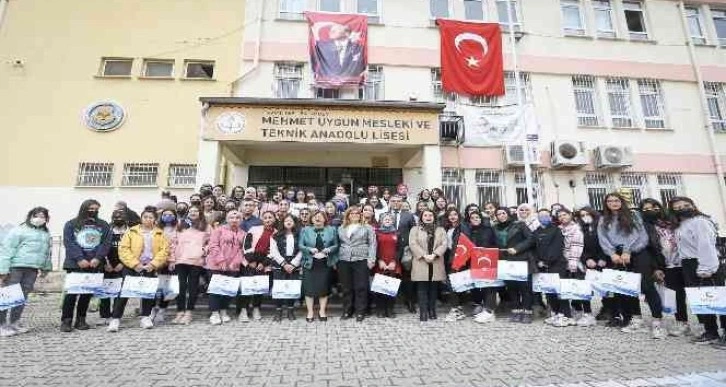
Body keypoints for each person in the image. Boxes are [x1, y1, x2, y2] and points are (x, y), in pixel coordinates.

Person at [598, 193, 665, 339]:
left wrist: (628, 250)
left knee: (647, 286)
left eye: (616, 200)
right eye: (610, 201)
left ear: (622, 202)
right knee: (627, 288)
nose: (613, 203)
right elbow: (603, 239)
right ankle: (636, 318)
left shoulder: (634, 215)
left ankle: (657, 321)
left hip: (638, 253)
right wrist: (612, 254)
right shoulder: (603, 219)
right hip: (617, 256)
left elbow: (641, 236)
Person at [669, 196, 726, 347]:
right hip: (688, 264)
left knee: (717, 299)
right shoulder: (681, 225)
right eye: (678, 207)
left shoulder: (700, 222)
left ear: (693, 205)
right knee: (701, 300)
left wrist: (707, 267)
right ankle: (710, 332)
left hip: (704, 262)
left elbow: (706, 245)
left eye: (686, 205)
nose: (682, 208)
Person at [107, 207, 169, 332]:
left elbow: (164, 250)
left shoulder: (160, 233)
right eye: (145, 217)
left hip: (150, 266)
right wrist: (135, 264)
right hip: (132, 266)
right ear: (141, 218)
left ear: (155, 220)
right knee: (124, 292)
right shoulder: (131, 232)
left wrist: (154, 264)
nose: (147, 219)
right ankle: (115, 318)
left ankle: (145, 317)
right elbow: (123, 249)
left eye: (150, 217)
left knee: (147, 292)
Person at [61, 199, 112, 332]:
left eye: (96, 209)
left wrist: (98, 258)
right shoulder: (71, 224)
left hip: (94, 264)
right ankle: (66, 320)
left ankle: (81, 319)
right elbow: (69, 242)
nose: (93, 211)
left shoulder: (103, 225)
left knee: (87, 293)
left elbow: (106, 243)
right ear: (84, 208)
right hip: (75, 264)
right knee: (72, 293)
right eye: (90, 208)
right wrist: (79, 258)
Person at [0, 207, 52, 337]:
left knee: (22, 297)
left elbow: (47, 252)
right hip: (16, 267)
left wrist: (46, 267)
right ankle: (1, 324)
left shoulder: (45, 233)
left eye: (43, 216)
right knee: (8, 295)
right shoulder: (19, 230)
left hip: (32, 269)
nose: (39, 218)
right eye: (37, 215)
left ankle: (14, 322)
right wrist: (3, 270)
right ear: (30, 216)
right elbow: (7, 249)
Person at [641, 198, 688, 337]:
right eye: (646, 209)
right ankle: (682, 322)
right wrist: (656, 267)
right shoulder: (646, 226)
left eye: (654, 208)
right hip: (665, 263)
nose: (652, 211)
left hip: (683, 260)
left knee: (691, 292)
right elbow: (649, 248)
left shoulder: (673, 221)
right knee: (676, 294)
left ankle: (708, 326)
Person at [494, 207, 536, 324]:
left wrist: (517, 249)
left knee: (525, 287)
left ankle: (527, 311)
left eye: (503, 213)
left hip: (521, 259)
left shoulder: (519, 225)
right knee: (511, 287)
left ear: (508, 214)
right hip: (505, 260)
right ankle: (516, 310)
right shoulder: (495, 228)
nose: (501, 215)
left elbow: (531, 239)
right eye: (498, 214)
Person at [169, 206, 209, 325]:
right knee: (180, 287)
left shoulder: (206, 226)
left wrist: (204, 250)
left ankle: (189, 312)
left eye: (196, 211)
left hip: (196, 260)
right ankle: (180, 311)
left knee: (193, 287)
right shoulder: (180, 225)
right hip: (180, 260)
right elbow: (173, 243)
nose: (193, 212)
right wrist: (171, 259)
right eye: (191, 211)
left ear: (200, 213)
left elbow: (210, 242)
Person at [206, 210, 246, 326]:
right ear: (227, 219)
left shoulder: (243, 233)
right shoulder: (218, 230)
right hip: (215, 265)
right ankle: (214, 313)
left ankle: (224, 310)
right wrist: (221, 261)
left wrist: (235, 262)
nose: (234, 220)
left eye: (238, 218)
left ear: (241, 220)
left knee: (228, 289)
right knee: (215, 289)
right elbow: (213, 245)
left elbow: (242, 250)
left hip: (233, 266)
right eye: (232, 218)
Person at [337, 206, 377, 322]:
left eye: (357, 213)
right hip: (344, 259)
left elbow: (372, 244)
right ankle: (347, 310)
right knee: (346, 287)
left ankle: (360, 311)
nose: (354, 215)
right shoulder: (341, 228)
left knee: (361, 286)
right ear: (348, 215)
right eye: (352, 213)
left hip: (361, 259)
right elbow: (339, 243)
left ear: (360, 215)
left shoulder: (367, 227)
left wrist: (371, 259)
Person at [459, 210, 499, 324]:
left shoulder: (488, 230)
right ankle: (482, 307)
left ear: (481, 219)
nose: (475, 219)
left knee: (489, 286)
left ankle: (490, 310)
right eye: (472, 218)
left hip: (487, 261)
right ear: (469, 220)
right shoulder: (469, 231)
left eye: (477, 217)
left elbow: (495, 244)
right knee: (477, 285)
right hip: (473, 261)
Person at [299, 211, 339, 322]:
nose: (317, 218)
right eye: (315, 217)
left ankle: (322, 311)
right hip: (309, 263)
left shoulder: (332, 230)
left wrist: (329, 249)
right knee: (309, 289)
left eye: (320, 217)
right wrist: (309, 249)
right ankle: (310, 312)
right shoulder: (305, 230)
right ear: (311, 219)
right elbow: (300, 245)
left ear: (325, 219)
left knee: (324, 288)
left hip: (325, 263)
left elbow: (336, 245)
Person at [409, 209, 447, 322]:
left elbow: (444, 244)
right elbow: (412, 243)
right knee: (422, 288)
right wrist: (424, 255)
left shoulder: (440, 230)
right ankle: (423, 311)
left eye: (430, 215)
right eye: (425, 215)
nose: (428, 217)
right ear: (421, 217)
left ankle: (432, 310)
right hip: (421, 261)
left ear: (434, 217)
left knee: (434, 288)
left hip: (436, 261)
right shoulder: (415, 229)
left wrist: (435, 254)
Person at [577, 206, 614, 322]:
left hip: (605, 260)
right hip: (590, 262)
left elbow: (607, 243)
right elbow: (581, 247)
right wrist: (587, 259)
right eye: (582, 215)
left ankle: (611, 310)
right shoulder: (582, 229)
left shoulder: (603, 226)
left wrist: (603, 258)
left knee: (607, 287)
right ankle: (600, 310)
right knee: (593, 285)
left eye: (587, 214)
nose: (585, 217)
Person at [557, 208, 593, 327]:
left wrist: (573, 261)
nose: (562, 217)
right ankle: (571, 312)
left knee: (581, 287)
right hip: (563, 262)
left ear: (570, 215)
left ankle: (588, 314)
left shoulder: (577, 229)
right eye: (560, 216)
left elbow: (577, 246)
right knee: (566, 288)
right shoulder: (559, 229)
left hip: (576, 261)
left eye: (564, 215)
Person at [239, 211, 277, 322]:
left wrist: (263, 263)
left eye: (270, 217)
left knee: (259, 287)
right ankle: (243, 310)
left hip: (264, 263)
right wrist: (251, 260)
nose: (268, 219)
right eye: (265, 217)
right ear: (262, 219)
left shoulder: (276, 233)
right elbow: (247, 244)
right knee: (247, 286)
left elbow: (273, 251)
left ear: (274, 219)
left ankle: (256, 308)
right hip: (250, 261)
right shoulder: (254, 229)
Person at [534, 209, 569, 327]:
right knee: (549, 291)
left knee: (559, 290)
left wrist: (547, 261)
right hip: (543, 266)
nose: (543, 218)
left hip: (557, 264)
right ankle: (555, 312)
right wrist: (539, 261)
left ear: (550, 217)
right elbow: (535, 248)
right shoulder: (537, 231)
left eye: (546, 216)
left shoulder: (556, 230)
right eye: (540, 216)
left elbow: (557, 247)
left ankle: (565, 315)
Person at [269, 214, 302, 322]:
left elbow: (302, 250)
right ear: (282, 223)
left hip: (294, 265)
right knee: (279, 287)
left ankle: (290, 311)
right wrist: (283, 263)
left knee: (291, 288)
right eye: (286, 221)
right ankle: (278, 310)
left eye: (291, 221)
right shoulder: (275, 235)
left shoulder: (299, 235)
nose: (288, 222)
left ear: (294, 223)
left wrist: (293, 264)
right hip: (279, 265)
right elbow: (274, 251)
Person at [388, 195, 417, 314]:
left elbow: (414, 232)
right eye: (393, 201)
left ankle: (409, 301)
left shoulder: (409, 215)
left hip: (405, 250)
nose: (395, 203)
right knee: (390, 276)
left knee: (407, 277)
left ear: (402, 203)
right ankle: (390, 304)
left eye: (398, 201)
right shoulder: (384, 215)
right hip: (389, 250)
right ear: (389, 202)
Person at [99, 210, 128, 325]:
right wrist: (106, 263)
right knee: (105, 290)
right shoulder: (107, 230)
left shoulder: (130, 231)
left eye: (121, 217)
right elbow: (101, 247)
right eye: (115, 217)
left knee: (119, 291)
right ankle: (104, 315)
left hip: (123, 264)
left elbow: (131, 249)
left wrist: (123, 263)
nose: (118, 218)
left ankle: (116, 315)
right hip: (107, 264)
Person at [152, 208, 177, 324]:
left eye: (170, 214)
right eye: (165, 214)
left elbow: (176, 246)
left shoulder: (178, 229)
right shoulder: (156, 229)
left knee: (167, 288)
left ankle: (162, 311)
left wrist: (172, 260)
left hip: (170, 263)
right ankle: (151, 310)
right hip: (155, 262)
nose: (167, 216)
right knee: (154, 288)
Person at [443, 209, 469, 322]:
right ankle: (458, 308)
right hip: (449, 257)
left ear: (458, 216)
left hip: (458, 258)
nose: (452, 217)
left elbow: (465, 243)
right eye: (450, 215)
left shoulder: (462, 227)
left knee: (453, 284)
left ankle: (456, 309)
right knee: (453, 283)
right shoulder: (448, 228)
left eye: (455, 214)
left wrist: (459, 259)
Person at [374, 213, 400, 318]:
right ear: (381, 221)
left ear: (393, 221)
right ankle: (380, 309)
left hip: (393, 263)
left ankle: (390, 309)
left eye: (390, 219)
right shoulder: (376, 233)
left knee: (391, 287)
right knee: (380, 288)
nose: (387, 220)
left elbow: (400, 249)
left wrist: (394, 261)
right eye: (385, 219)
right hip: (380, 263)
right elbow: (374, 247)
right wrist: (379, 260)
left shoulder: (397, 233)